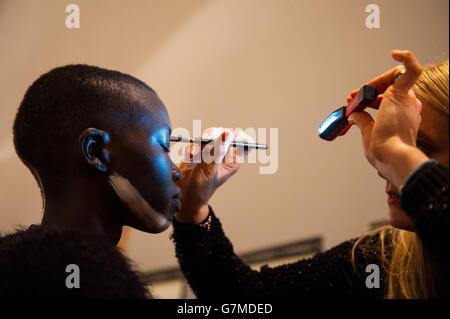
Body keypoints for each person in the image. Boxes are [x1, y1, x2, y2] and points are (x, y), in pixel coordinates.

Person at [172, 50, 449, 298]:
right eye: (391, 142)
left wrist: (396, 153)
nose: (385, 168)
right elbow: (240, 296)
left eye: (419, 147)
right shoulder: (377, 260)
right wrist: (193, 208)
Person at [0, 65, 185, 298]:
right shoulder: (85, 286)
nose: (177, 171)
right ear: (96, 151)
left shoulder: (19, 273)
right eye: (164, 145)